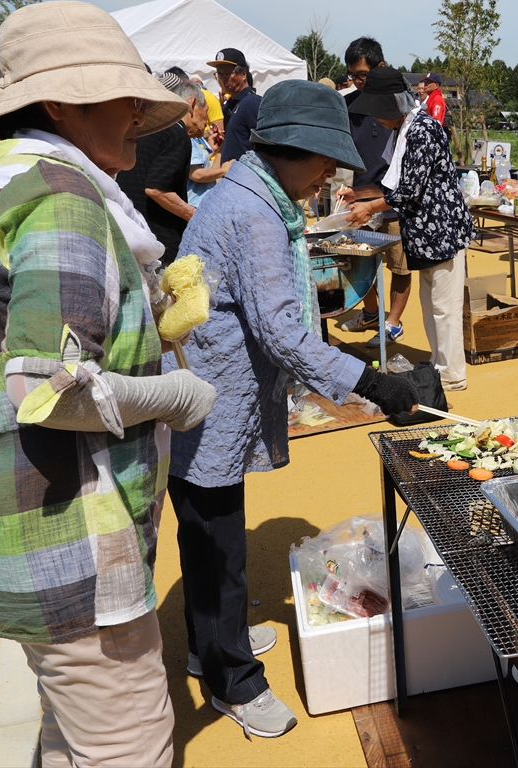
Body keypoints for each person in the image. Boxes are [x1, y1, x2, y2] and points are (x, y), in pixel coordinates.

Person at [0, 1, 218, 766]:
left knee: (69, 732)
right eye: (118, 96)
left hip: (2, 532)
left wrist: (144, 324)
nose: (133, 116)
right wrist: (175, 395)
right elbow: (43, 391)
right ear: (58, 103)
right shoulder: (63, 200)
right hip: (65, 551)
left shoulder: (3, 185)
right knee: (129, 748)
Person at [166, 79, 418, 739]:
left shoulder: (252, 192)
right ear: (289, 148)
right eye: (325, 160)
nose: (331, 173)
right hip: (210, 400)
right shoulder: (253, 211)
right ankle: (233, 679)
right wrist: (371, 380)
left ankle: (209, 642)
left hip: (207, 393)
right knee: (217, 541)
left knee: (210, 530)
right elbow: (281, 332)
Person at [346, 66, 474, 392]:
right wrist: (359, 195)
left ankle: (451, 375)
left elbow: (408, 190)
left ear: (391, 105)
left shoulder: (423, 130)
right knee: (432, 306)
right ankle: (440, 367)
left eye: (378, 112)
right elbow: (396, 185)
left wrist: (369, 207)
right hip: (426, 235)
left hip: (442, 232)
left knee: (444, 308)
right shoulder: (405, 130)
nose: (375, 119)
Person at [336, 37, 412, 347]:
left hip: (396, 198)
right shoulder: (346, 103)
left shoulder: (404, 102)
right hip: (361, 194)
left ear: (380, 67)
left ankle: (392, 322)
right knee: (353, 259)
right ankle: (371, 312)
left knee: (399, 264)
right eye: (353, 75)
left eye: (363, 75)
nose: (357, 82)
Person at [116, 72, 196, 262]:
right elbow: (156, 188)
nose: (206, 120)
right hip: (159, 243)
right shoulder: (177, 134)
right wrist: (194, 215)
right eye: (205, 111)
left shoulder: (143, 130)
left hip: (128, 231)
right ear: (192, 105)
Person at [209, 47, 260, 164]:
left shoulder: (251, 102)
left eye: (227, 73)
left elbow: (262, 146)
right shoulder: (231, 104)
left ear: (243, 74)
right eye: (218, 73)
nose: (221, 78)